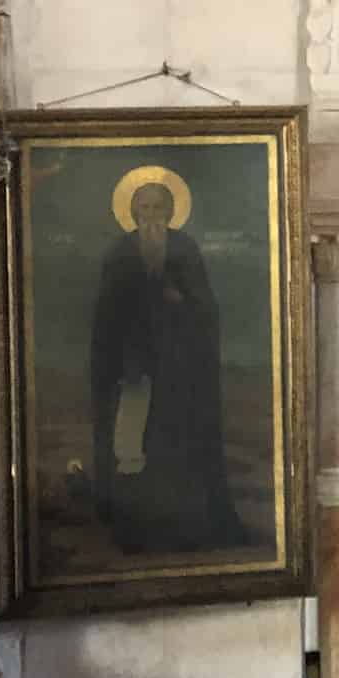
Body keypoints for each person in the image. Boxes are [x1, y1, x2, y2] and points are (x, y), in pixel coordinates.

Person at [88, 180, 245, 554]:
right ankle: (136, 526)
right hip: (135, 371)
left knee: (179, 445)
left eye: (159, 209)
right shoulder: (121, 252)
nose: (152, 217)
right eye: (145, 209)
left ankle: (191, 523)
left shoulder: (185, 249)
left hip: (181, 372)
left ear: (172, 212)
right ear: (133, 212)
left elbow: (206, 308)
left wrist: (183, 303)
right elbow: (107, 316)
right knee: (134, 445)